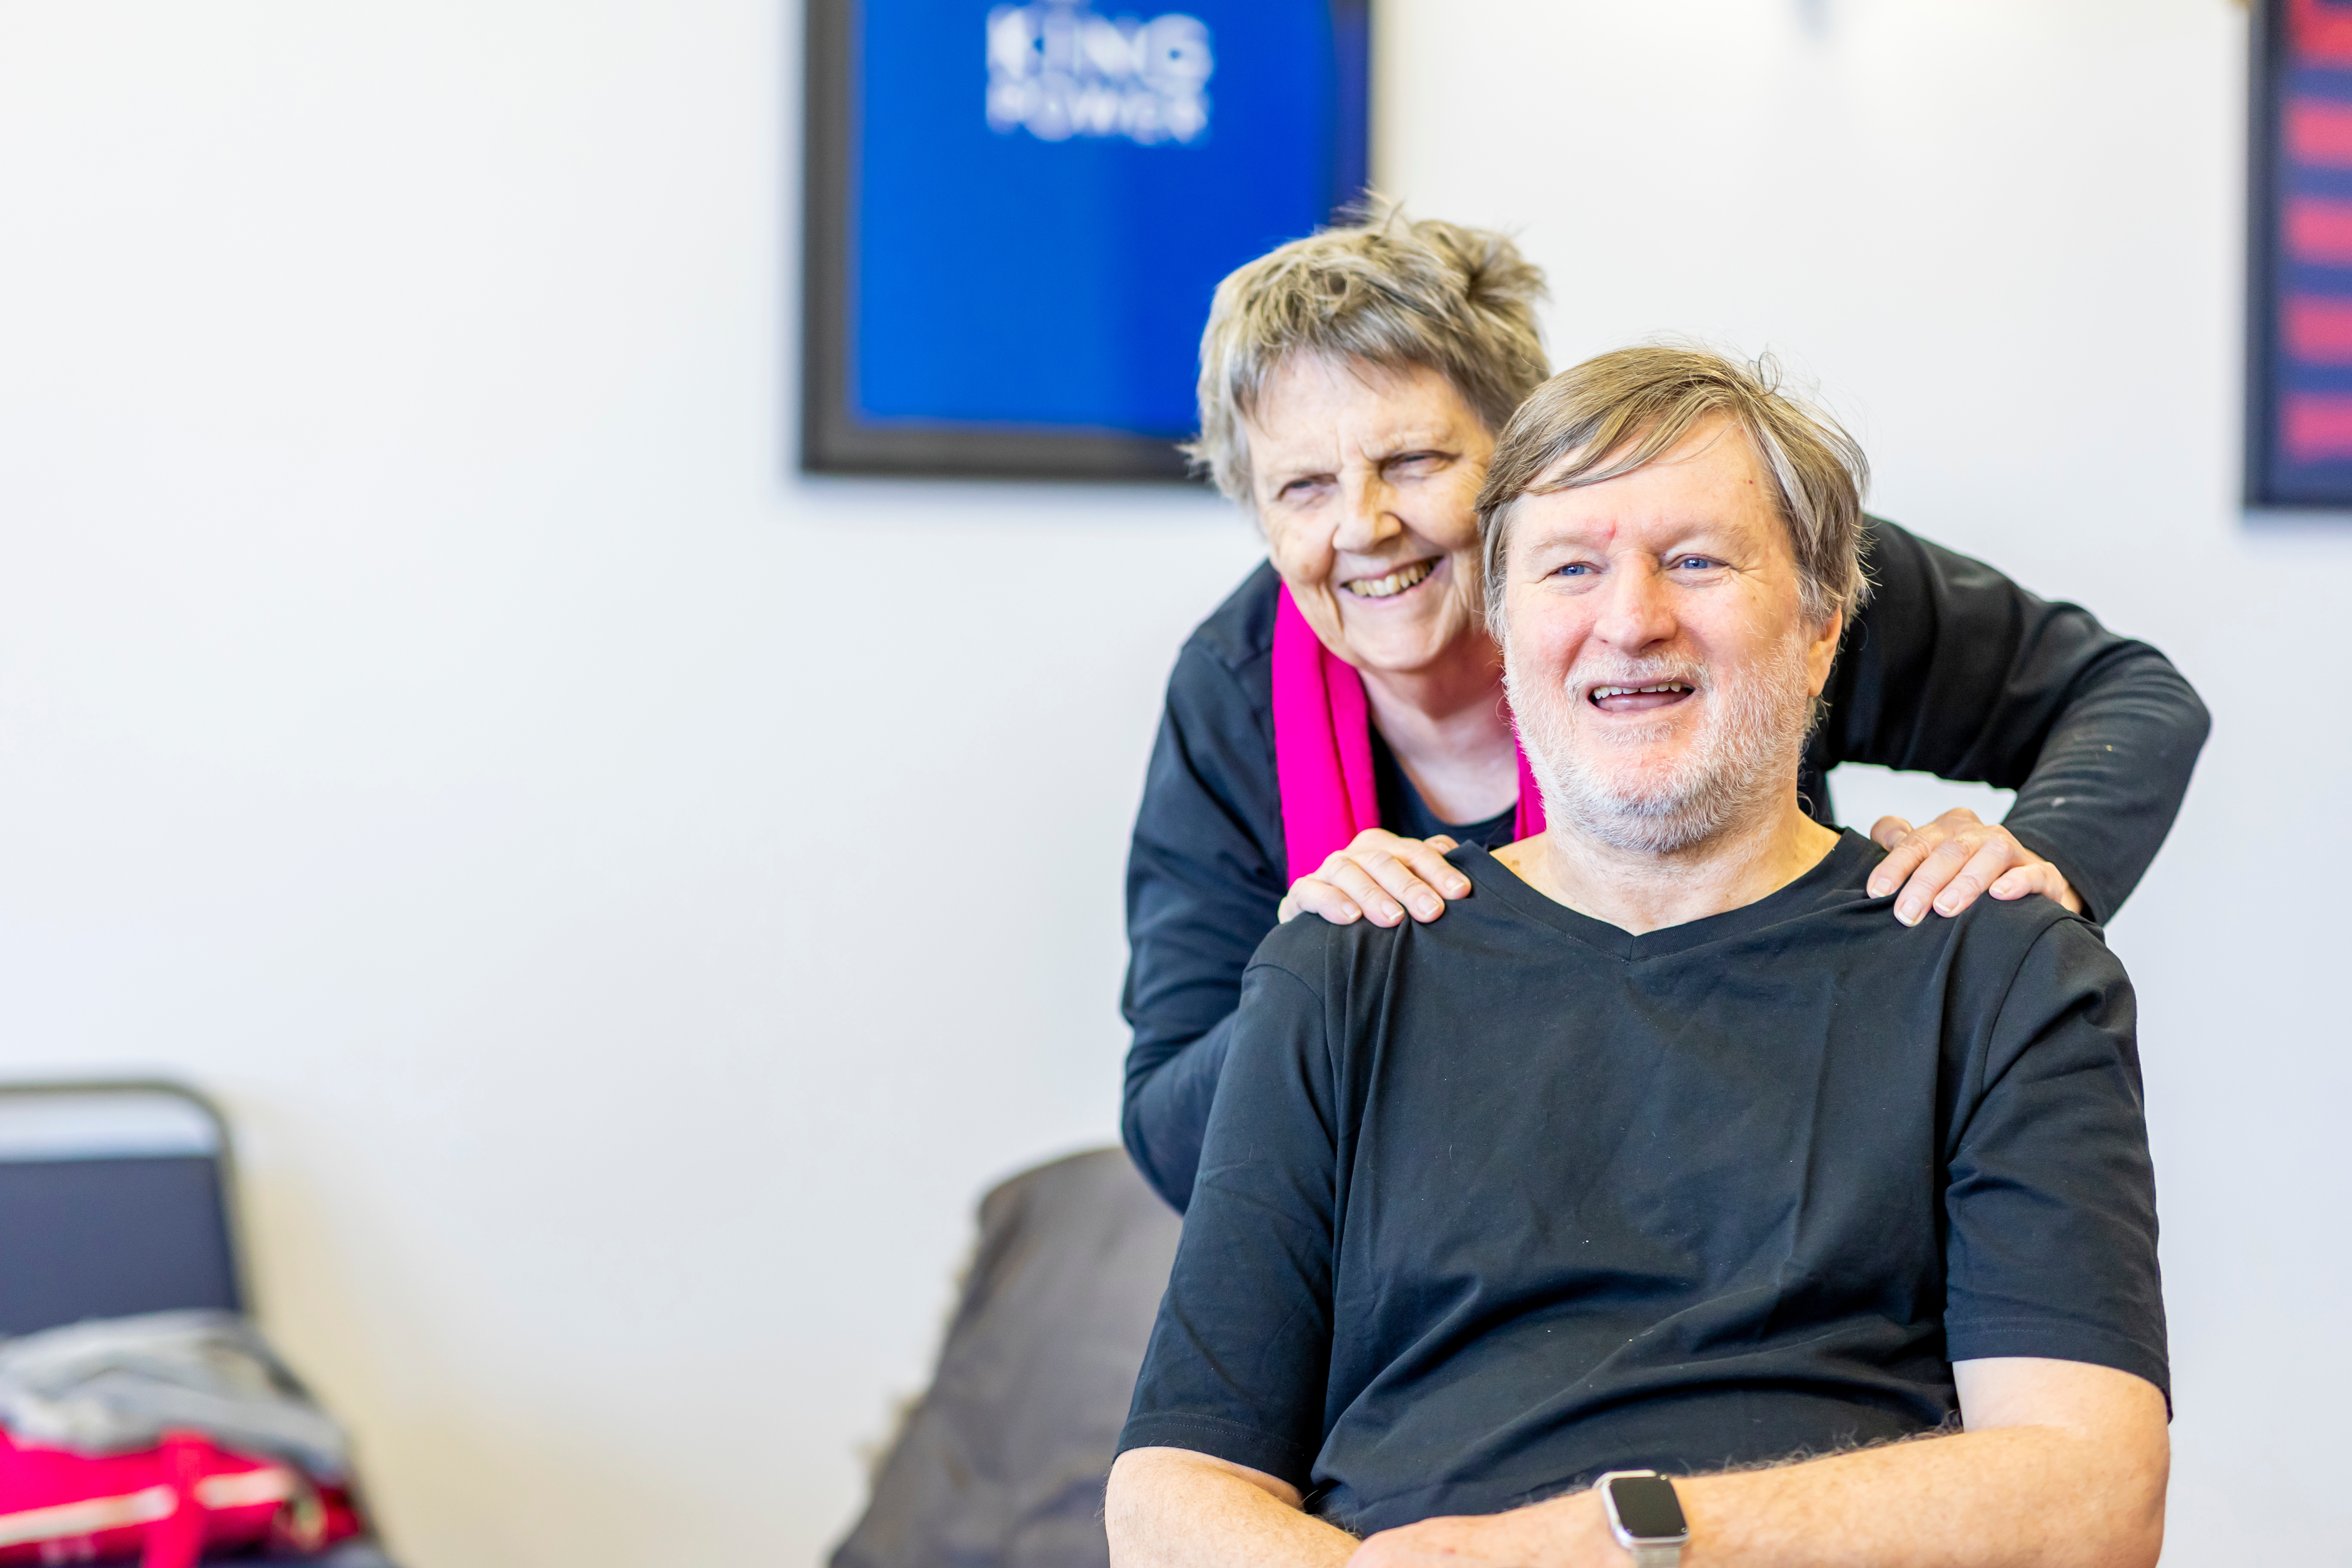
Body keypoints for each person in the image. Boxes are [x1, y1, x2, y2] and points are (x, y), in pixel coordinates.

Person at [1106, 347, 2168, 1568]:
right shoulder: (1340, 967)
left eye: (1698, 561)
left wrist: (1607, 1546)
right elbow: (1170, 1499)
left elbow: (2093, 1500)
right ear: (1503, 628)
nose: (1630, 620)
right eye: (1571, 570)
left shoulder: (1999, 974)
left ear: (1826, 626)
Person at [1121, 204, 2210, 1214]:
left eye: (1412, 461)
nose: (1363, 526)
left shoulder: (1723, 596)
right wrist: (1308, 973)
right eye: (1301, 488)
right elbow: (1174, 1139)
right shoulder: (1230, 698)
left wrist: (2035, 863)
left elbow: (2129, 697)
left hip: (1772, 1195)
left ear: (1519, 457)